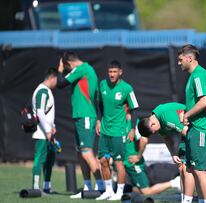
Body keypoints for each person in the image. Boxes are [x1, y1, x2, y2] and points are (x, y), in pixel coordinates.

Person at [56, 52, 104, 198]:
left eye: (66, 68)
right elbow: (96, 97)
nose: (66, 71)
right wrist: (98, 118)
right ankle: (88, 187)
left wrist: (59, 69)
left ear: (69, 64)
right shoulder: (89, 70)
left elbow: (60, 83)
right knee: (80, 153)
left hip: (85, 116)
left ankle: (102, 186)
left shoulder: (80, 69)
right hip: (81, 116)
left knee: (87, 152)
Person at [95, 60, 139, 200]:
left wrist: (132, 129)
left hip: (119, 132)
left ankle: (119, 192)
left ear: (120, 72)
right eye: (110, 72)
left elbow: (134, 109)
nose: (112, 74)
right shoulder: (102, 84)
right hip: (104, 130)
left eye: (114, 72)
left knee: (119, 162)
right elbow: (99, 103)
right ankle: (108, 190)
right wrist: (98, 120)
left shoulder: (127, 88)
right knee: (102, 160)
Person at [178, 44, 206, 203]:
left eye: (180, 60)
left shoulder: (199, 75)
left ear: (190, 58)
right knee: (194, 169)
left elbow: (204, 101)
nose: (178, 63)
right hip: (195, 128)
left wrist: (187, 114)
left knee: (200, 170)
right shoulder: (193, 76)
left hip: (202, 128)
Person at [137, 102, 195, 203]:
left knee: (186, 167)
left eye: (153, 132)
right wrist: (173, 154)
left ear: (152, 123)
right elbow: (166, 138)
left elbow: (187, 132)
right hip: (186, 135)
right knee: (181, 167)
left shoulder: (166, 117)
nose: (155, 133)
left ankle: (189, 200)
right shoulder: (157, 120)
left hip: (194, 131)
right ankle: (184, 199)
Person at [123, 112, 181, 196]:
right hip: (128, 163)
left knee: (146, 191)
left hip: (134, 164)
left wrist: (138, 156)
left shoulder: (134, 122)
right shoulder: (122, 122)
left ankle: (175, 183)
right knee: (133, 189)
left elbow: (144, 140)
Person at [31, 68, 58, 193]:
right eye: (56, 79)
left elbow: (47, 114)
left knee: (49, 159)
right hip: (41, 133)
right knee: (39, 159)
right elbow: (41, 112)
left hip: (47, 132)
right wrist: (47, 130)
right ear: (52, 78)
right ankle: (36, 188)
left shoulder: (46, 90)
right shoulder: (42, 91)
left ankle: (47, 187)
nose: (57, 83)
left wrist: (52, 127)